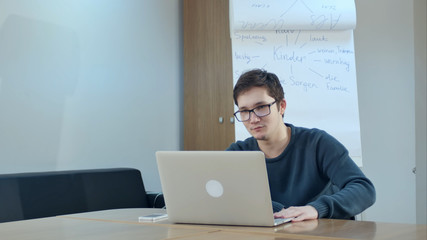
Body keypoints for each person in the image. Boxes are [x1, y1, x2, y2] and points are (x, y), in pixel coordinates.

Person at [227, 69, 376, 222]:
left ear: (282, 106)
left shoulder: (318, 143)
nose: (253, 119)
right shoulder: (238, 154)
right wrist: (282, 212)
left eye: (261, 107)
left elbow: (364, 189)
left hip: (321, 233)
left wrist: (316, 208)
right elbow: (225, 196)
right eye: (244, 111)